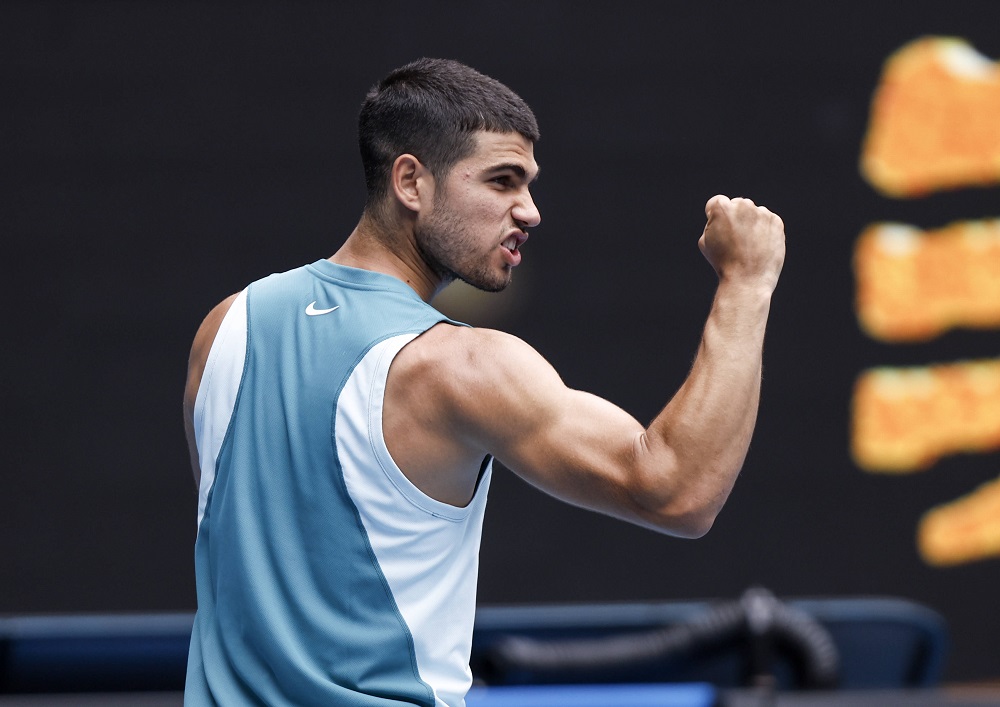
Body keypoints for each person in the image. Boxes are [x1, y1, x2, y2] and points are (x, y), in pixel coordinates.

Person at [182, 57, 785, 706]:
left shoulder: (226, 328)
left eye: (527, 184)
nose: (529, 211)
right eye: (503, 181)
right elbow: (678, 490)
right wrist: (747, 281)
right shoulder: (457, 366)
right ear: (411, 181)